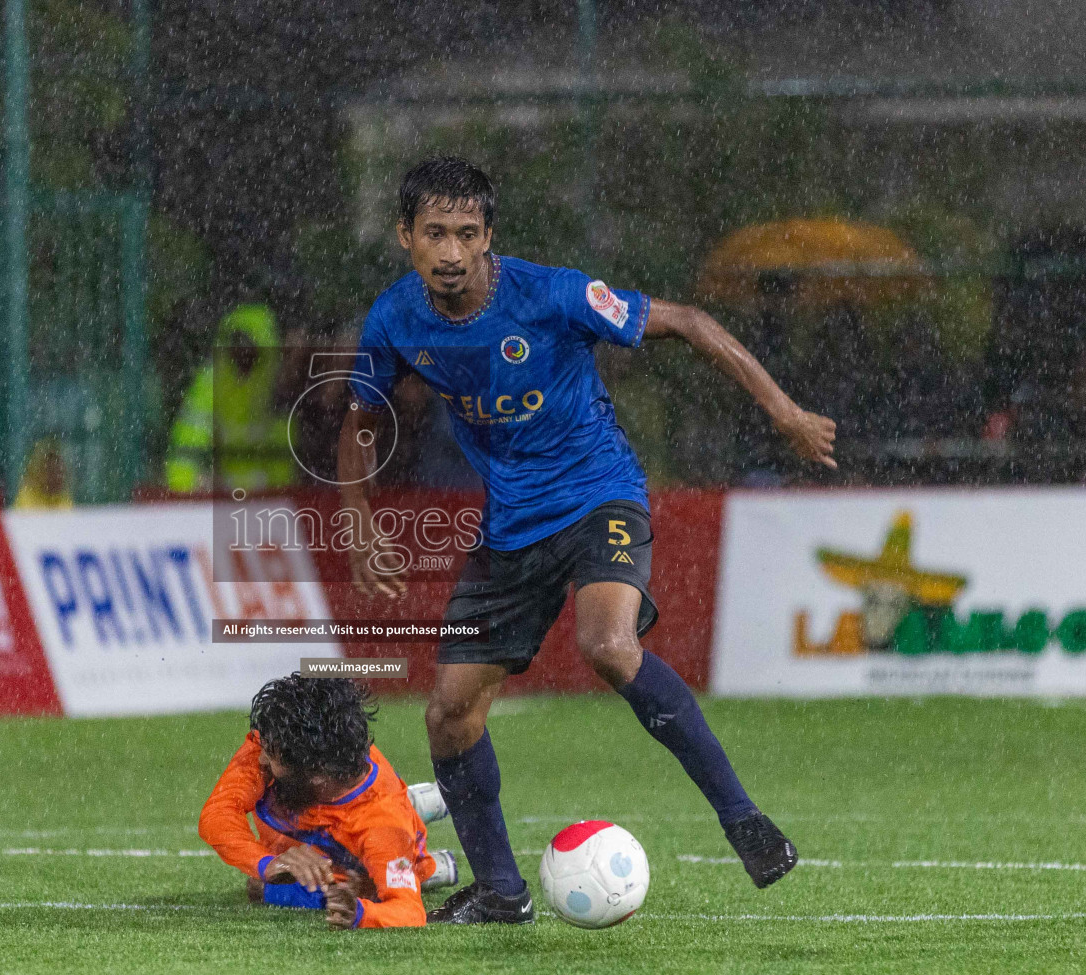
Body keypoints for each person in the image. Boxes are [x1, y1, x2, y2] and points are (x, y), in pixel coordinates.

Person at [337, 157, 837, 924]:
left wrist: (785, 412)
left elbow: (691, 322)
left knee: (607, 645)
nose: (450, 251)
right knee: (448, 713)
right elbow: (360, 418)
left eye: (467, 234)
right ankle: (502, 892)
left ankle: (745, 821)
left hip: (600, 493)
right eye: (434, 233)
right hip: (510, 526)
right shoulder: (395, 319)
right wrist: (358, 516)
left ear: (488, 239)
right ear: (405, 236)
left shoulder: (553, 294)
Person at [198, 672, 459, 929]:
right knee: (259, 885)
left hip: (375, 837)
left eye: (270, 755)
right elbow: (218, 814)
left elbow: (409, 912)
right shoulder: (279, 739)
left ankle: (425, 866)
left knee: (366, 883)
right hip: (347, 827)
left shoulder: (382, 824)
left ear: (314, 773)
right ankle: (417, 805)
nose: (260, 760)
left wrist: (360, 913)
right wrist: (267, 863)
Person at [165, 303, 295, 494]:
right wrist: (186, 490)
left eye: (249, 345)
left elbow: (282, 459)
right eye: (237, 343)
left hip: (263, 503)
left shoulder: (274, 389)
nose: (242, 351)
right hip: (223, 499)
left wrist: (279, 495)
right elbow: (186, 449)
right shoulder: (211, 383)